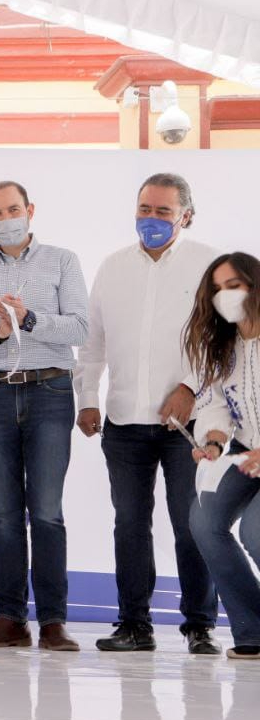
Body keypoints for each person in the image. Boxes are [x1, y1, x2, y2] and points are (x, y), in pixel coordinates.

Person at [75, 173, 220, 654]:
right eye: (145, 209)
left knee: (191, 524)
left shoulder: (208, 266)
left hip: (188, 425)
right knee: (130, 525)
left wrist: (189, 387)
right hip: (123, 422)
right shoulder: (112, 267)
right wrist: (88, 399)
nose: (151, 219)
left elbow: (222, 343)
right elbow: (93, 343)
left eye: (163, 211)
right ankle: (134, 625)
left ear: (186, 215)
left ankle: (200, 625)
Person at [0, 181, 89, 651]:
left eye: (13, 209)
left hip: (50, 389)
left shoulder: (62, 260)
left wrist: (29, 320)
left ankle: (52, 621)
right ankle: (10, 618)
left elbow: (80, 328)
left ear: (30, 210)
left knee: (46, 512)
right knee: (2, 513)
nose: (6, 218)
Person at [186, 251, 260, 661]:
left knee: (255, 531)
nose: (224, 296)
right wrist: (213, 441)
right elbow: (216, 404)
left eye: (233, 286)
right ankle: (253, 630)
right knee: (205, 521)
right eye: (217, 289)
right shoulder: (224, 346)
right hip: (245, 453)